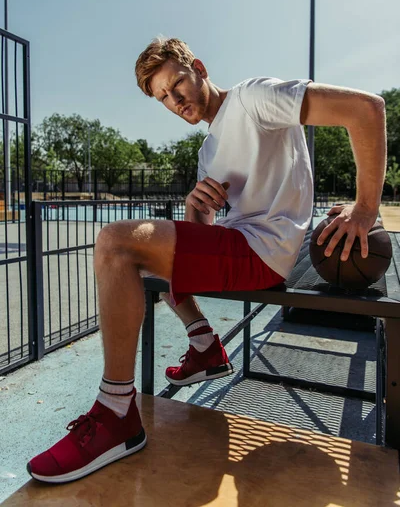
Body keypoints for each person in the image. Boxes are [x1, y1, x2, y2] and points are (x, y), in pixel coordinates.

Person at [27, 37, 386, 483]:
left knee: (115, 243)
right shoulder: (208, 151)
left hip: (265, 250)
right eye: (163, 98)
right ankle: (204, 344)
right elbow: (201, 236)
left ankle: (117, 410)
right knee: (139, 257)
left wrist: (365, 208)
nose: (175, 101)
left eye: (178, 84)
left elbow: (367, 110)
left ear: (198, 67)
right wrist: (196, 204)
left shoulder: (254, 98)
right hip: (241, 245)